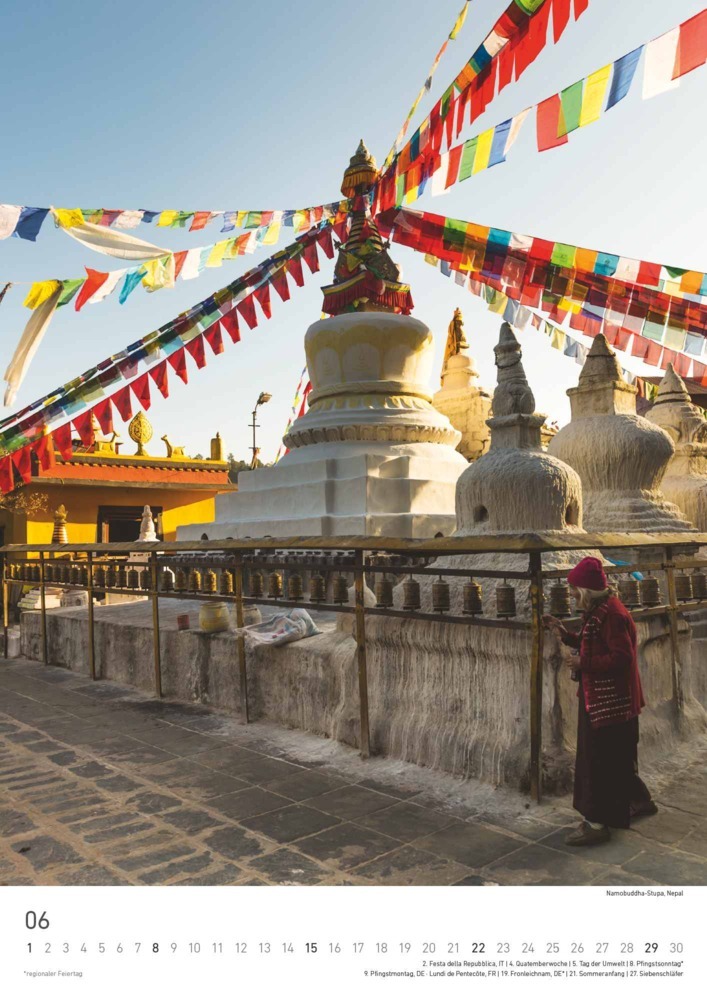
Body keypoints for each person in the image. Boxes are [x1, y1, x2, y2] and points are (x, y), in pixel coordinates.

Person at [543, 556, 657, 847]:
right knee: (618, 759)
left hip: (611, 702)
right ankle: (640, 802)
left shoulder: (614, 615)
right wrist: (562, 632)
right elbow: (588, 639)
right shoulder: (600, 611)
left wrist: (584, 663)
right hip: (605, 699)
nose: (571, 595)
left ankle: (596, 824)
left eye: (574, 590)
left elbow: (622, 657)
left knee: (597, 762)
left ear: (586, 591)